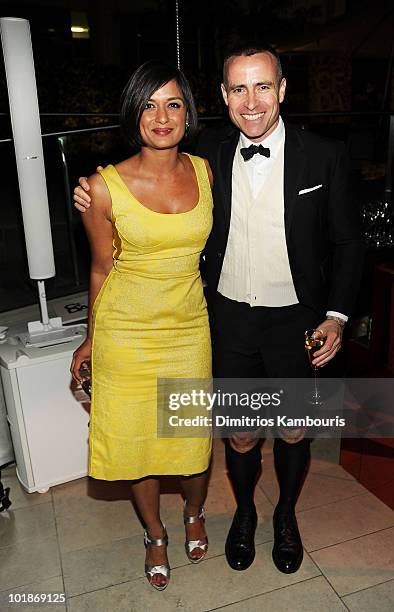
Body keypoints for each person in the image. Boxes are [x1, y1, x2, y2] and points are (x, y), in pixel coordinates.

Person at [73, 43, 364, 576]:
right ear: (223, 97)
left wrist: (338, 315)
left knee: (295, 428)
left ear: (280, 90)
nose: (250, 101)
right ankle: (247, 513)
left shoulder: (326, 154)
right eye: (237, 88)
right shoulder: (209, 153)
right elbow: (141, 186)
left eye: (261, 87)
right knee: (241, 431)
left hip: (297, 318)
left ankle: (287, 517)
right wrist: (94, 194)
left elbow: (349, 242)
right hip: (227, 318)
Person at [70, 60, 214, 591]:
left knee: (191, 442)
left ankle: (194, 512)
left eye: (173, 103)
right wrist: (90, 337)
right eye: (149, 104)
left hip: (187, 331)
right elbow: (101, 268)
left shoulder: (205, 171)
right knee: (137, 445)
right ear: (134, 113)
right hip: (126, 334)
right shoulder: (102, 188)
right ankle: (154, 533)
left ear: (187, 113)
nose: (162, 116)